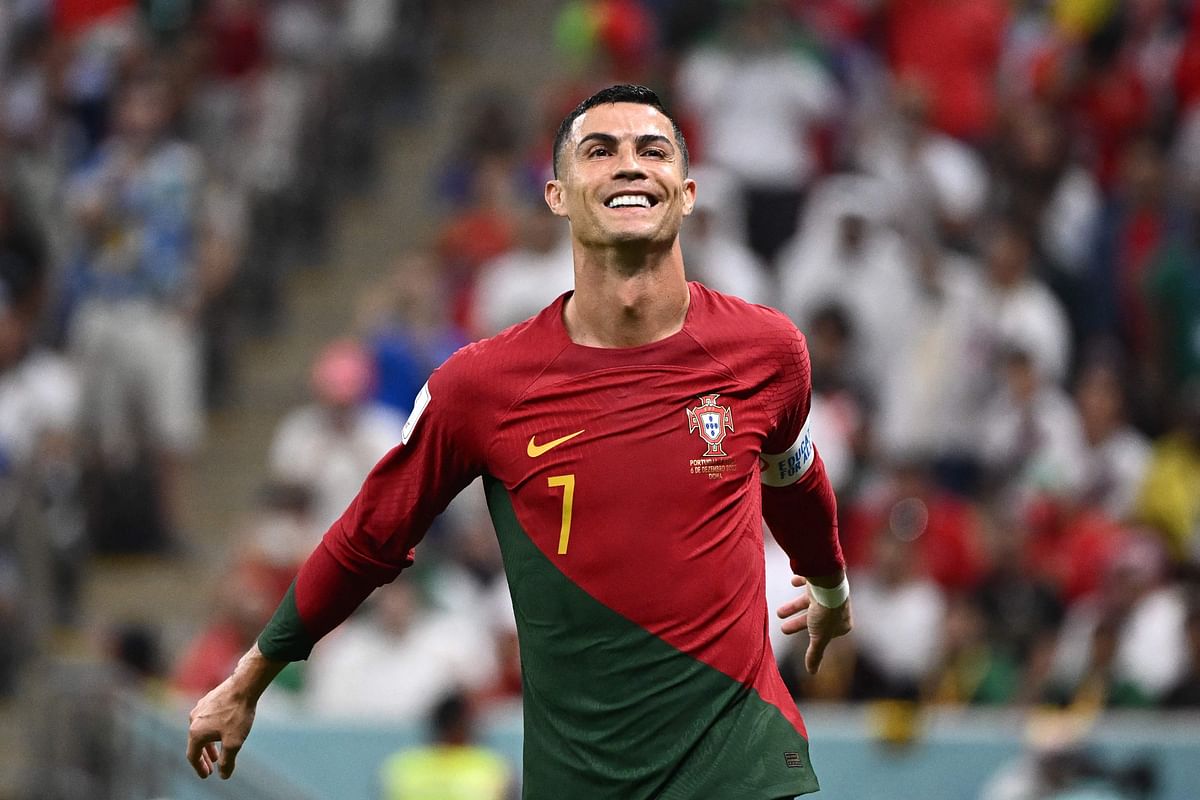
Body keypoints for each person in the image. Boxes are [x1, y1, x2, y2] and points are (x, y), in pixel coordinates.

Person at [186, 84, 852, 798]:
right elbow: (367, 535)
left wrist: (829, 583)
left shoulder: (767, 350)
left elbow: (793, 475)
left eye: (651, 150)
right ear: (558, 195)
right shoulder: (482, 385)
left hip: (741, 770)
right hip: (580, 782)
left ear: (685, 193)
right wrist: (251, 675)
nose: (630, 165)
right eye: (600, 151)